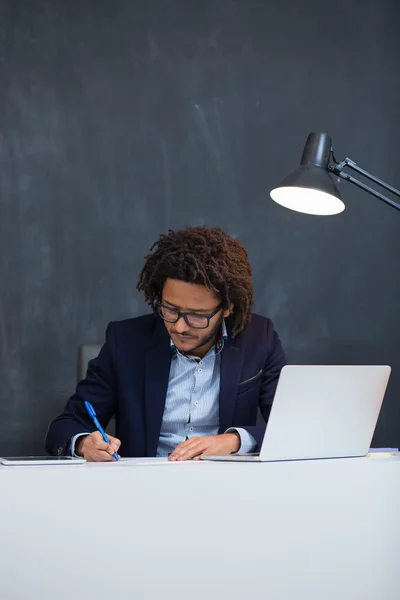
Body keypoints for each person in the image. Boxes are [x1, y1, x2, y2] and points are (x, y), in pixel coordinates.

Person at [45, 226, 286, 461]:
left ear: (227, 308)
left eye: (197, 315)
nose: (180, 326)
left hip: (226, 486)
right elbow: (65, 427)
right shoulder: (126, 341)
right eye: (170, 309)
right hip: (143, 486)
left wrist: (233, 441)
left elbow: (293, 427)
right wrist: (84, 443)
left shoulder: (259, 339)